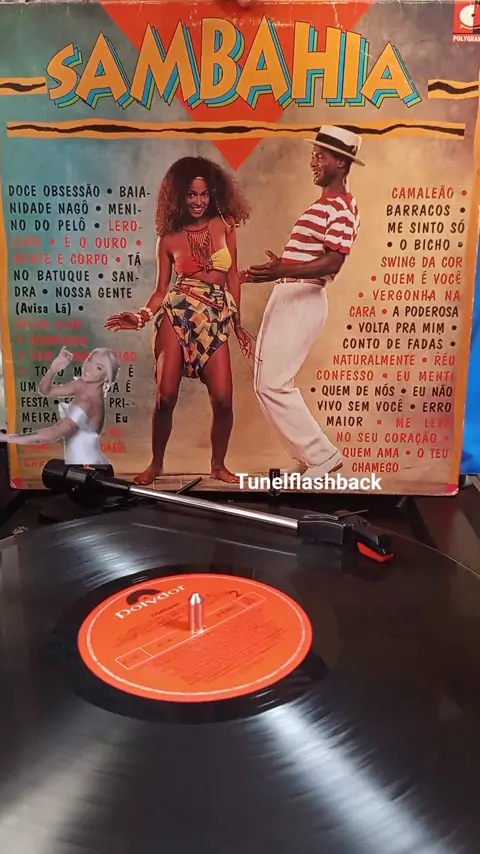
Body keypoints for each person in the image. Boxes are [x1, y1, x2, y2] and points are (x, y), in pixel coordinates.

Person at [105, 156, 252, 486]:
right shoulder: (168, 237)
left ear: (213, 193)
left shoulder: (225, 225)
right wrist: (140, 316)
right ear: (178, 196)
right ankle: (156, 464)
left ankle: (218, 465)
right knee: (165, 396)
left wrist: (237, 324)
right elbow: (161, 291)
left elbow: (232, 278)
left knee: (223, 400)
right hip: (177, 313)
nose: (198, 201)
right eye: (191, 194)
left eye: (204, 194)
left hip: (214, 315)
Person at [245, 125, 364, 478]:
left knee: (274, 384)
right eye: (313, 155)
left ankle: (323, 456)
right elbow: (305, 257)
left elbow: (333, 262)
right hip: (289, 293)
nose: (313, 162)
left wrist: (283, 269)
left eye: (320, 156)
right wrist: (267, 273)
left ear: (341, 162)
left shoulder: (342, 207)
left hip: (304, 297)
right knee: (264, 384)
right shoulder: (322, 205)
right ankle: (307, 457)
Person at [0, 346, 119, 465]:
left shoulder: (88, 403)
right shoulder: (82, 385)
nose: (88, 367)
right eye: (89, 360)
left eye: (98, 367)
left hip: (89, 467)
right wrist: (54, 368)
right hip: (80, 465)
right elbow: (46, 391)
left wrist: (6, 438)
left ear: (107, 377)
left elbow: (51, 435)